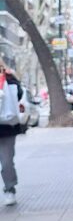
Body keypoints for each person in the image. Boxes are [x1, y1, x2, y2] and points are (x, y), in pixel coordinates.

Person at [0, 68, 24, 206]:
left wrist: (11, 80)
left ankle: (10, 189)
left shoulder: (8, 78)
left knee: (7, 161)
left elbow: (18, 95)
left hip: (6, 127)